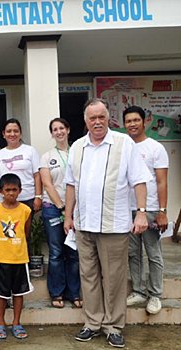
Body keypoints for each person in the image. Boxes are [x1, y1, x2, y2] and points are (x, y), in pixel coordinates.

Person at [64, 98, 151, 348]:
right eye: (93, 118)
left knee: (113, 278)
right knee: (88, 276)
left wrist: (142, 213)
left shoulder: (124, 144)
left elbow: (139, 181)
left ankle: (113, 326)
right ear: (85, 121)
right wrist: (68, 216)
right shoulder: (78, 147)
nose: (98, 122)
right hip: (84, 224)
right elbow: (71, 185)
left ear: (108, 117)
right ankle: (92, 323)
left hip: (114, 225)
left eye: (102, 116)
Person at [123, 106, 169, 315]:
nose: (132, 124)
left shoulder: (155, 148)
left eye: (136, 120)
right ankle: (139, 291)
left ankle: (155, 294)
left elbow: (161, 182)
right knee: (133, 253)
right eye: (128, 121)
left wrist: (162, 211)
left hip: (150, 209)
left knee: (153, 253)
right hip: (127, 209)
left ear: (145, 121)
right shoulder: (123, 147)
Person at [40, 118, 81, 308]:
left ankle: (74, 293)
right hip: (53, 209)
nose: (59, 132)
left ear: (68, 129)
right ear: (52, 133)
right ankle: (56, 293)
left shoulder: (79, 152)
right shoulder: (47, 156)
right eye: (55, 129)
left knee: (73, 253)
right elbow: (47, 184)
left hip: (77, 210)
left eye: (61, 128)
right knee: (56, 252)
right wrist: (63, 208)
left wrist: (71, 210)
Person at [0, 173, 33, 340]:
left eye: (14, 190)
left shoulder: (26, 210)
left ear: (20, 191)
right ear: (1, 191)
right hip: (1, 258)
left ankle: (16, 323)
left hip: (20, 258)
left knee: (19, 292)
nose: (11, 193)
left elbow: (26, 233)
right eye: (7, 190)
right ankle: (1, 323)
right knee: (1, 293)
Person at [0, 119, 42, 214]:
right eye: (8, 131)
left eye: (16, 131)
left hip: (28, 198)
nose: (12, 134)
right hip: (7, 200)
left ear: (20, 133)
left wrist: (38, 197)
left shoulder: (30, 150)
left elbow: (37, 175)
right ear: (3, 134)